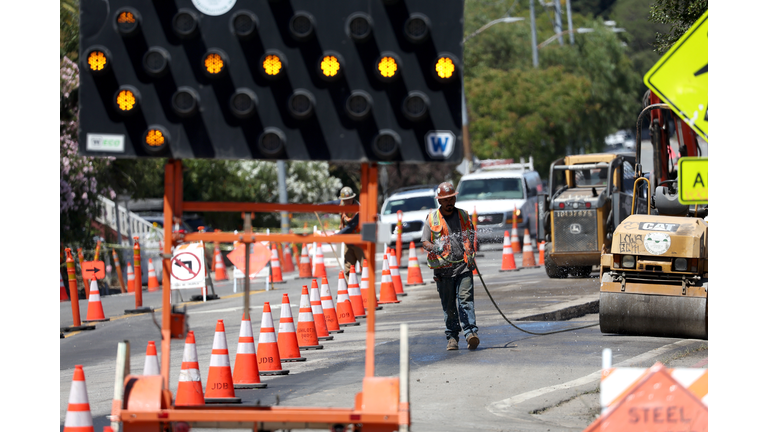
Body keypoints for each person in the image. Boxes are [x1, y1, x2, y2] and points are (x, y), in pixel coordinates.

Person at [420, 182, 479, 351]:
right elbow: (424, 241)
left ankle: (471, 333)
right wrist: (434, 247)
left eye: (451, 198)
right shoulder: (432, 219)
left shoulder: (464, 215)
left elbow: (471, 235)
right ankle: (452, 337)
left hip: (464, 267)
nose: (449, 202)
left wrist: (471, 252)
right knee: (449, 305)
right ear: (439, 201)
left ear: (455, 197)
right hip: (443, 269)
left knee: (465, 300)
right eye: (445, 199)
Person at [337, 186, 366, 277]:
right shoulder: (343, 204)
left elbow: (350, 227)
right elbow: (333, 203)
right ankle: (351, 289)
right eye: (345, 200)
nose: (347, 202)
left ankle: (367, 289)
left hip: (359, 243)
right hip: (348, 242)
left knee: (365, 267)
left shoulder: (358, 210)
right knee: (348, 269)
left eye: (349, 200)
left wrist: (336, 236)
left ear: (353, 198)